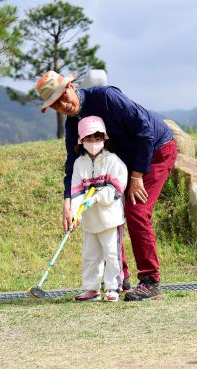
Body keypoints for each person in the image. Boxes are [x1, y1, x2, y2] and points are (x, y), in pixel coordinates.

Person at [35, 70, 177, 301]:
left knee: (136, 211)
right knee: (110, 212)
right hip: (123, 162)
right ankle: (120, 279)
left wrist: (137, 176)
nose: (63, 106)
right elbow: (72, 163)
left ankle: (151, 281)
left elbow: (145, 131)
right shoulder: (73, 124)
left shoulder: (106, 97)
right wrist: (67, 203)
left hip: (156, 150)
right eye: (55, 106)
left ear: (71, 87)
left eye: (63, 97)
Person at [69, 116, 127, 302]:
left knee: (112, 254)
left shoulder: (112, 161)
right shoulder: (79, 164)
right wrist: (74, 213)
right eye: (89, 139)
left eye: (97, 139)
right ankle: (91, 289)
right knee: (90, 256)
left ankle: (113, 287)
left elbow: (117, 188)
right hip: (89, 221)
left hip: (110, 219)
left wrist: (96, 198)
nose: (93, 143)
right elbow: (76, 192)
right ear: (81, 141)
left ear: (104, 139)